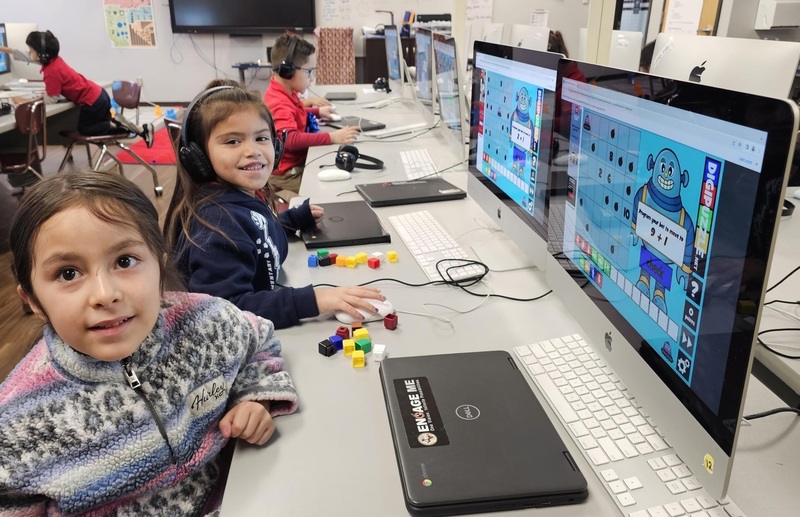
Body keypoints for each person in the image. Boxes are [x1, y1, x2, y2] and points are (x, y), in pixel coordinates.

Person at [0, 171, 298, 515]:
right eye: (68, 273)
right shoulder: (16, 426)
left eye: (125, 261)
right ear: (33, 300)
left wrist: (254, 398)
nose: (105, 294)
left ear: (159, 263)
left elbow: (258, 341)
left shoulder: (206, 323)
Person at [164, 84, 384, 329]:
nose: (253, 151)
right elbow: (226, 311)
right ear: (199, 157)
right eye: (233, 141)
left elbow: (254, 236)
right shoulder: (216, 224)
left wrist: (289, 221)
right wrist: (313, 300)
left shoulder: (238, 198)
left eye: (261, 138)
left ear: (276, 146)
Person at [10, 31, 154, 146]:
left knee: (85, 130)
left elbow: (52, 98)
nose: (29, 53)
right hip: (98, 95)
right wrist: (5, 49)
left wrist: (24, 100)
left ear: (42, 54)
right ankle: (139, 128)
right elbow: (32, 60)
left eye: (31, 50)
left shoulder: (50, 72)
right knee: (95, 125)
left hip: (92, 102)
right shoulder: (55, 61)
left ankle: (114, 122)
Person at [263, 32, 360, 199]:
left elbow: (294, 113)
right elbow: (291, 140)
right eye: (309, 72)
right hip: (288, 174)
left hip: (297, 164)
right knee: (334, 192)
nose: (312, 78)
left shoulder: (283, 92)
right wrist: (332, 137)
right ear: (289, 71)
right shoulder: (278, 102)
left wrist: (316, 111)